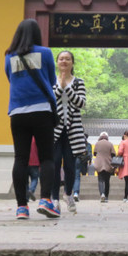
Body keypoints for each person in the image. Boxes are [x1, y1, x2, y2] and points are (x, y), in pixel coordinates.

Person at [4, 19, 58, 220]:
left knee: (20, 158)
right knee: (46, 158)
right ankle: (45, 200)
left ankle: (21, 207)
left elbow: (11, 79)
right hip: (41, 110)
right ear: (37, 34)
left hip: (17, 112)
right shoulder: (45, 53)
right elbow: (51, 80)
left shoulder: (9, 56)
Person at [52, 50, 87, 213]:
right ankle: (53, 198)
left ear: (72, 62)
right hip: (55, 129)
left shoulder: (79, 82)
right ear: (57, 62)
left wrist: (68, 87)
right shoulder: (51, 80)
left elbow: (81, 103)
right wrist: (61, 86)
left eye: (67, 59)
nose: (64, 61)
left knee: (71, 165)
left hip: (73, 129)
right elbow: (50, 100)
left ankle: (68, 194)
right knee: (54, 163)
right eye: (61, 59)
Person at [93, 131, 116, 202]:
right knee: (107, 181)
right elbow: (113, 154)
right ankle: (106, 196)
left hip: (99, 164)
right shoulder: (110, 144)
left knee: (100, 180)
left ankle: (101, 194)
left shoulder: (97, 143)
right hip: (108, 164)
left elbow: (94, 153)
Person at [73, 134, 93, 201]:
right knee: (81, 175)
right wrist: (89, 160)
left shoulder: (74, 141)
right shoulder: (88, 144)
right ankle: (76, 193)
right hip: (83, 161)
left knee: (76, 176)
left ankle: (74, 193)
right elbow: (90, 153)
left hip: (75, 160)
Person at [27, 137, 40, 201]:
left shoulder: (24, 137)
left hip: (25, 163)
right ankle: (31, 190)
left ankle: (26, 198)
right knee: (35, 179)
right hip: (35, 163)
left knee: (25, 181)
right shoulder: (36, 138)